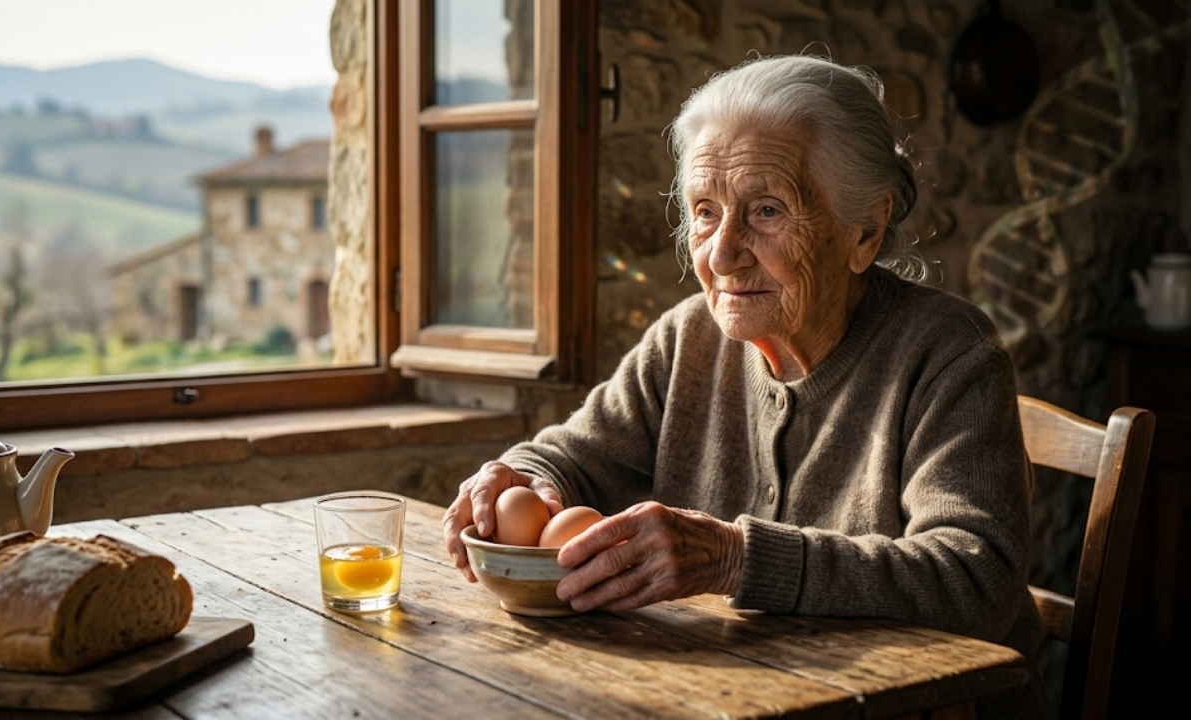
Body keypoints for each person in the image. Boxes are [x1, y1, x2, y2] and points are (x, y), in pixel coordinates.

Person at [442, 54, 1045, 716]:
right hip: (734, 700)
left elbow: (975, 578)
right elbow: (567, 456)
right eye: (705, 211)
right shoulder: (687, 339)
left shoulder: (948, 354)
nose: (722, 254)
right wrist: (520, 479)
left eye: (765, 210)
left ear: (865, 230)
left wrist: (734, 558)